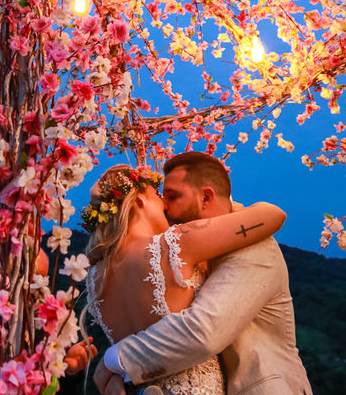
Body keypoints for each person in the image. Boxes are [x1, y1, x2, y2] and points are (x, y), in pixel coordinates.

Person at [94, 152, 313, 395]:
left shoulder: (253, 248)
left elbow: (204, 331)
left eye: (173, 196)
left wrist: (116, 361)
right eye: (162, 196)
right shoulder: (181, 252)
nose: (166, 206)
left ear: (206, 197)